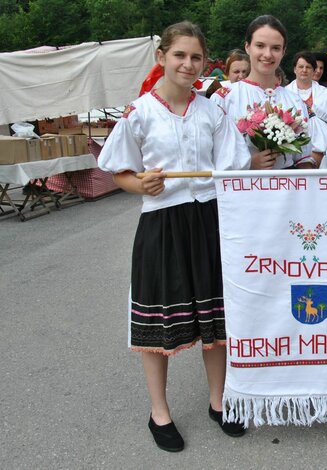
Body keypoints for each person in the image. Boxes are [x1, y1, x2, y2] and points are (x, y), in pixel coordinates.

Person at [98, 21, 251, 452]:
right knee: (157, 321)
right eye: (180, 55)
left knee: (216, 319)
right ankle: (159, 411)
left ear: (205, 62)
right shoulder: (139, 111)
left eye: (196, 57)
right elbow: (120, 170)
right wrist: (139, 184)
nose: (188, 63)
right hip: (162, 223)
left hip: (209, 221)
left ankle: (219, 401)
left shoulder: (213, 111)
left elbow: (232, 167)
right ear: (161, 57)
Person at [211, 15, 321, 169]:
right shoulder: (225, 97)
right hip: (241, 189)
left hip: (286, 190)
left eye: (275, 48)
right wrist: (248, 164)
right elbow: (212, 157)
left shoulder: (295, 101)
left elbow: (304, 157)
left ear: (283, 51)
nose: (268, 54)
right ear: (248, 47)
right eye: (260, 46)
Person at [286, 51, 327, 129]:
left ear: (313, 70)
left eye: (308, 67)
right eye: (301, 67)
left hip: (320, 138)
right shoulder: (285, 92)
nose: (304, 70)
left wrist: (309, 110)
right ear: (294, 69)